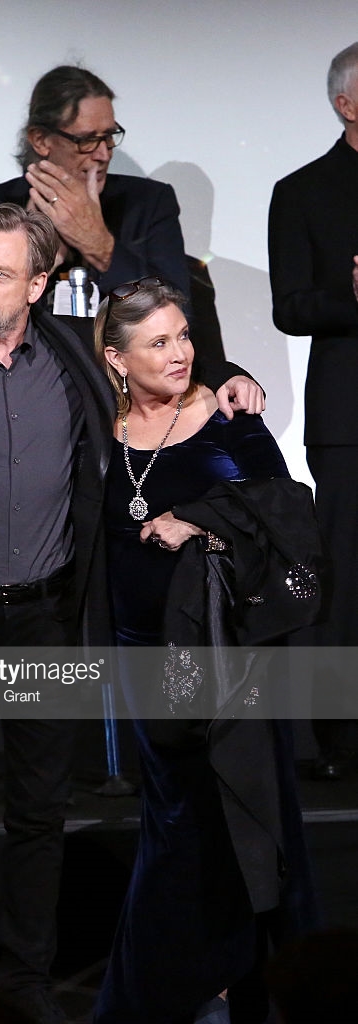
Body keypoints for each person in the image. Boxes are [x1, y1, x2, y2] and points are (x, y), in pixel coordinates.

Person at [0, 204, 262, 1024]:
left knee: (38, 807)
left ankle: (29, 982)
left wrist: (231, 371)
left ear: (38, 285)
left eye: (0, 272)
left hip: (42, 618)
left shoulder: (73, 355)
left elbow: (154, 358)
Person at [92, 280, 319, 1024]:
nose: (182, 353)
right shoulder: (99, 431)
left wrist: (199, 525)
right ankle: (182, 989)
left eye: (184, 335)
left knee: (234, 817)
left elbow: (288, 523)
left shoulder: (230, 420)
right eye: (158, 342)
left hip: (228, 661)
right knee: (175, 822)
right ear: (116, 359)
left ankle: (225, 990)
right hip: (140, 660)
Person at [0, 65, 223, 360]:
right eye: (86, 140)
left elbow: (181, 316)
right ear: (41, 140)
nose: (103, 153)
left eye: (109, 136)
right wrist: (35, 259)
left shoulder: (149, 203)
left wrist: (100, 246)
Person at [268, 41, 358, 780]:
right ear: (346, 104)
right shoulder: (303, 191)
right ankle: (340, 738)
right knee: (348, 577)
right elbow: (289, 308)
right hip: (349, 415)